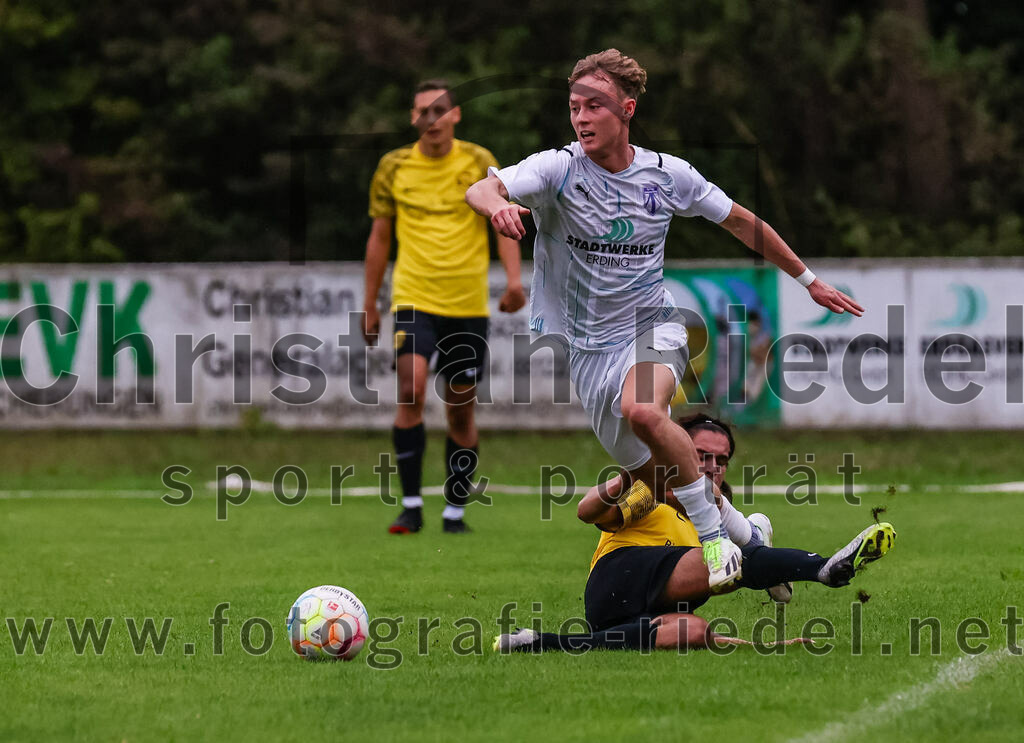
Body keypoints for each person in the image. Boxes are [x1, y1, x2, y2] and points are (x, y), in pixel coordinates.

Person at [466, 49, 863, 586]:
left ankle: (717, 541)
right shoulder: (556, 168)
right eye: (574, 106)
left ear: (626, 110)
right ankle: (751, 539)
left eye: (595, 106)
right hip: (586, 352)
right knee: (666, 480)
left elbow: (743, 223)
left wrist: (809, 280)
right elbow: (483, 187)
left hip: (653, 326)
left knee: (645, 412)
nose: (581, 117)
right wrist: (497, 206)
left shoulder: (667, 175)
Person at [495, 416, 897, 653]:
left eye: (721, 459)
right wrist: (630, 473)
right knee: (726, 561)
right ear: (678, 447)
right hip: (618, 578)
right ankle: (824, 568)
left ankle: (539, 642)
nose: (712, 465)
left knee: (696, 631)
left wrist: (771, 646)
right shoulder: (653, 491)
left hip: (620, 616)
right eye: (701, 455)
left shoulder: (711, 519)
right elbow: (587, 512)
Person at [364, 80, 526, 534]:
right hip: (413, 297)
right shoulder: (393, 166)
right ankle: (411, 506)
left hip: (467, 304)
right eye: (422, 112)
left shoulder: (478, 161)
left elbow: (502, 220)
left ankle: (454, 510)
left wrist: (514, 282)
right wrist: (369, 304)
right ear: (412, 119)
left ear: (455, 115)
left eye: (439, 110)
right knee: (412, 389)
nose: (430, 120)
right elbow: (379, 237)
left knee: (459, 409)